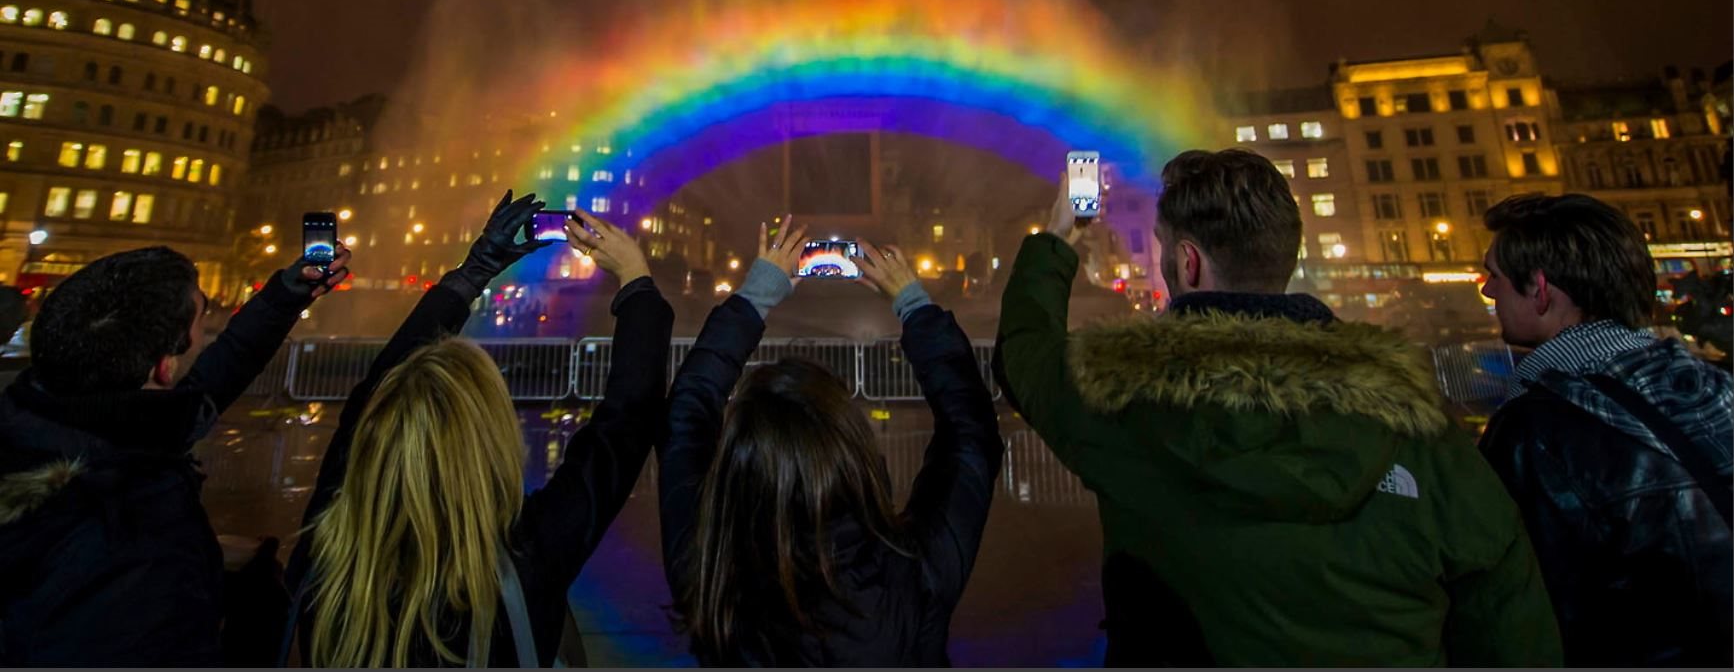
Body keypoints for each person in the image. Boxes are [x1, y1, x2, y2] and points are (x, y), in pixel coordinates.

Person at [995, 149, 1562, 666]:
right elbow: (1507, 613)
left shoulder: (1124, 397)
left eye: (1165, 246)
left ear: (1188, 263)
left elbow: (1026, 357)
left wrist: (1057, 235)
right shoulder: (1418, 418)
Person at [286, 192, 673, 667]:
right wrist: (635, 276)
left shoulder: (323, 557)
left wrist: (473, 272)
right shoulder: (525, 558)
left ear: (374, 436)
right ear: (490, 439)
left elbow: (371, 395)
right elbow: (627, 422)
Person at [660, 219, 1002, 666]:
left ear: (737, 462)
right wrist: (913, 302)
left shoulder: (707, 570)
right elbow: (972, 433)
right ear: (855, 455)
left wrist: (756, 295)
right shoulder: (915, 575)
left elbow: (686, 413)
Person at [0, 243, 349, 664]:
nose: (207, 335)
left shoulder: (48, 423)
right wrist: (253, 611)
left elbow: (215, 376)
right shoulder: (137, 538)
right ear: (164, 368)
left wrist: (284, 296)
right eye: (203, 321)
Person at [1477, 192, 1732, 666]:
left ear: (1540, 288)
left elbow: (1524, 609)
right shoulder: (1716, 388)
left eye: (1492, 274)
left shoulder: (1536, 429)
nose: (1488, 291)